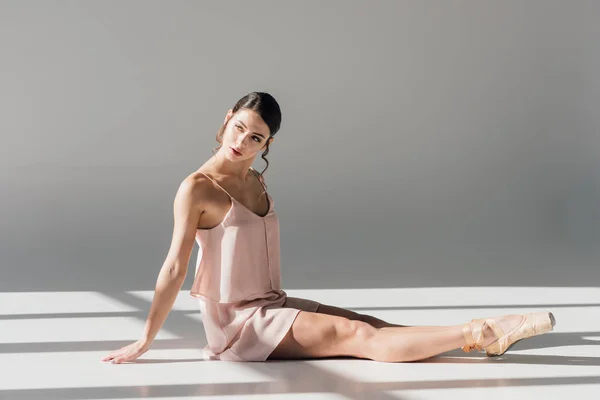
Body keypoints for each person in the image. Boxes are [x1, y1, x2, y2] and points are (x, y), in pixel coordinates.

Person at [101, 91, 555, 364]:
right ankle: (485, 331)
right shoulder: (196, 188)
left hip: (270, 303)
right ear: (225, 121)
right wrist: (146, 338)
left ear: (267, 144)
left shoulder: (256, 179)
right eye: (238, 128)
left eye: (255, 137)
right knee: (357, 339)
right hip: (238, 323)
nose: (242, 142)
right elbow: (174, 267)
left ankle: (462, 341)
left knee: (365, 321)